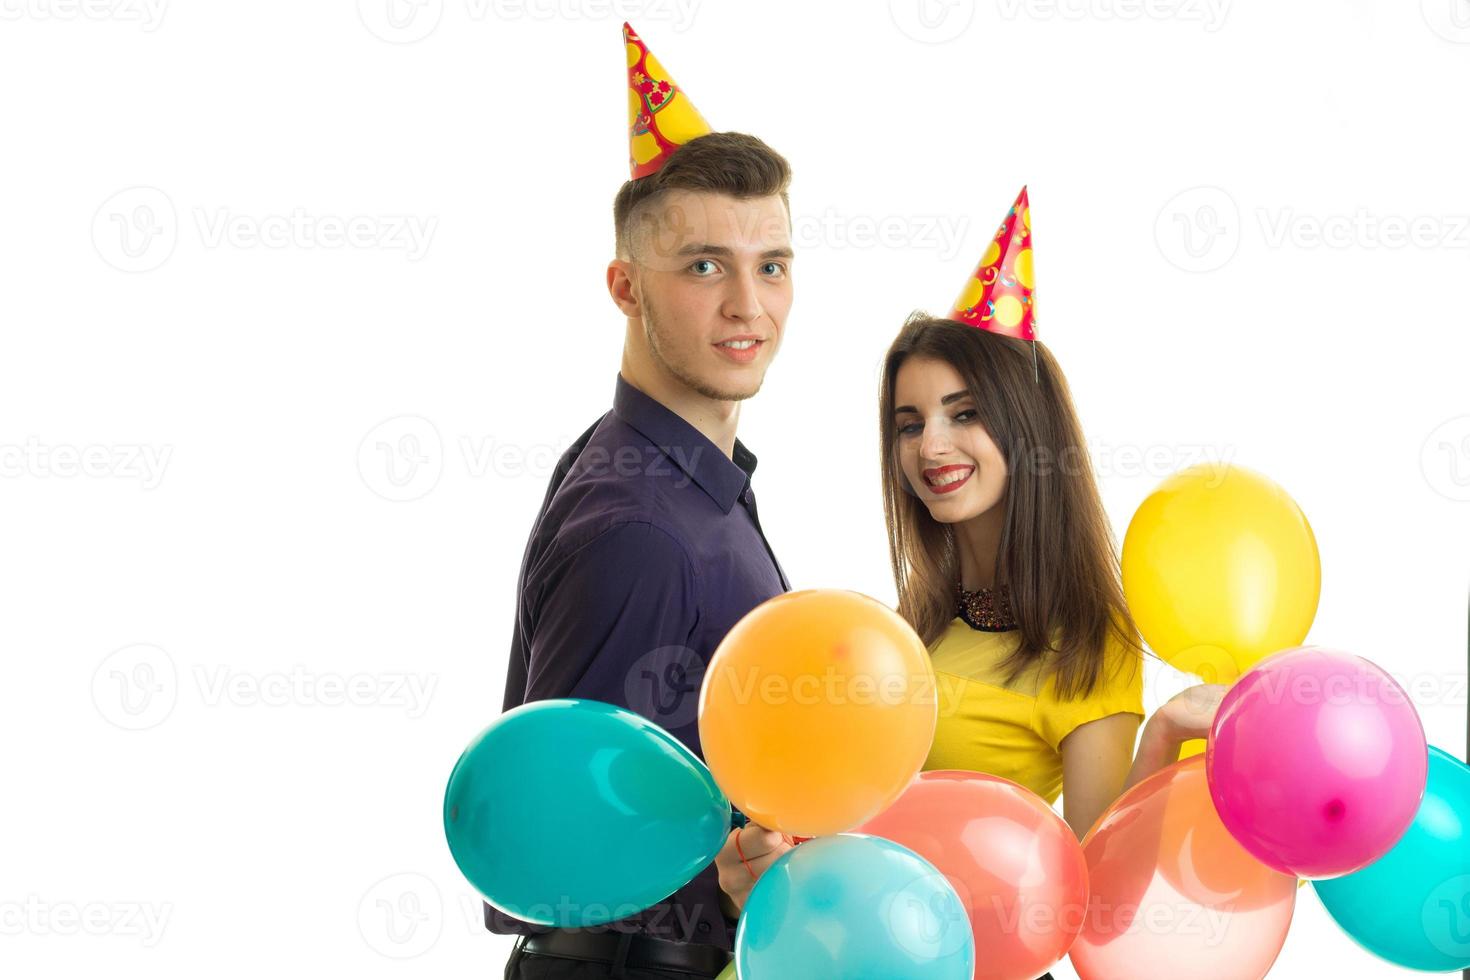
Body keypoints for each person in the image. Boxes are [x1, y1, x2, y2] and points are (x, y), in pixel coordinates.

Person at [490, 22, 796, 980]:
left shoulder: (685, 483)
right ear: (626, 286)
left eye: (772, 265)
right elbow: (572, 850)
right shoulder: (643, 530)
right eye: (705, 265)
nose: (748, 305)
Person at [878, 187, 1223, 979]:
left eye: (963, 413)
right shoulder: (908, 627)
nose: (931, 444)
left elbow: (1095, 900)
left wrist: (1165, 735)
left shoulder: (1085, 645)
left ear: (1025, 431)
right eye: (909, 422)